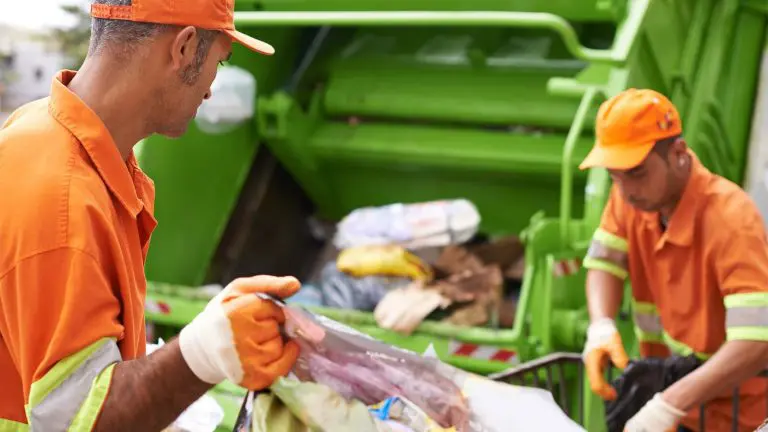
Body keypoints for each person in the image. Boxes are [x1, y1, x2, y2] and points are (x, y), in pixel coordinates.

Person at [0, 0, 300, 431]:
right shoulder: (62, 198)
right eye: (220, 61)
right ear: (184, 47)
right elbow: (78, 420)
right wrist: (202, 350)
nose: (212, 88)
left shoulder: (47, 133)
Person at [579, 88, 768, 431]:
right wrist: (601, 326)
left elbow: (757, 341)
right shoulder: (631, 196)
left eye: (636, 172)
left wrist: (668, 405)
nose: (624, 191)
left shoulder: (731, 220)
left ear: (678, 153)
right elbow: (604, 262)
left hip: (735, 415)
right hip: (678, 402)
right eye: (614, 176)